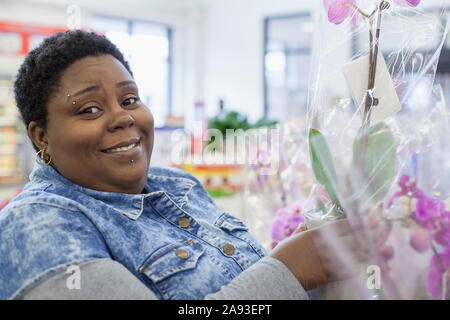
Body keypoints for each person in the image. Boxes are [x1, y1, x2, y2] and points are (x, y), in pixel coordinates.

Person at [0, 30, 365, 300]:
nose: (122, 118)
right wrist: (288, 269)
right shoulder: (34, 225)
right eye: (89, 109)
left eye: (129, 99)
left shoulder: (178, 185)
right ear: (41, 136)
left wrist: (318, 260)